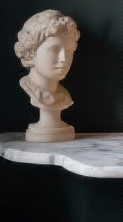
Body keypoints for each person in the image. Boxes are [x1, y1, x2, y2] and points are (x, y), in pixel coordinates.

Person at [14, 10, 80, 142]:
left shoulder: (64, 96)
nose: (63, 59)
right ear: (32, 53)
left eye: (69, 51)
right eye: (54, 50)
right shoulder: (30, 88)